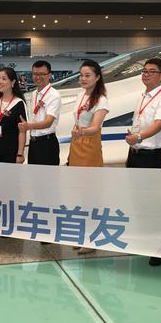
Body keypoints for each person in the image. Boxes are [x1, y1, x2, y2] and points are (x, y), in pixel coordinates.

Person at [125, 57, 161, 266]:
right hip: (135, 154)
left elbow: (158, 125)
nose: (146, 74)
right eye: (144, 71)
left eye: (151, 71)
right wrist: (134, 136)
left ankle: (159, 249)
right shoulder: (142, 96)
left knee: (152, 204)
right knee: (138, 201)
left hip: (150, 156)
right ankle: (144, 243)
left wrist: (138, 137)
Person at [67, 60, 109, 254]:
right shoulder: (80, 95)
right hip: (77, 144)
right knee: (79, 194)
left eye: (87, 75)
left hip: (89, 146)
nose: (83, 79)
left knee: (90, 195)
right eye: (81, 75)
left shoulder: (101, 100)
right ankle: (82, 235)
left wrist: (81, 132)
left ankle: (93, 238)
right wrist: (77, 134)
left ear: (97, 77)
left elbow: (95, 127)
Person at [18, 60, 61, 166]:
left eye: (42, 74)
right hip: (34, 143)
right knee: (33, 175)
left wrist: (28, 126)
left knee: (48, 176)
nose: (38, 77)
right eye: (35, 74)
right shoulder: (34, 93)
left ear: (49, 75)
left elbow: (48, 122)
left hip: (47, 144)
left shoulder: (54, 95)